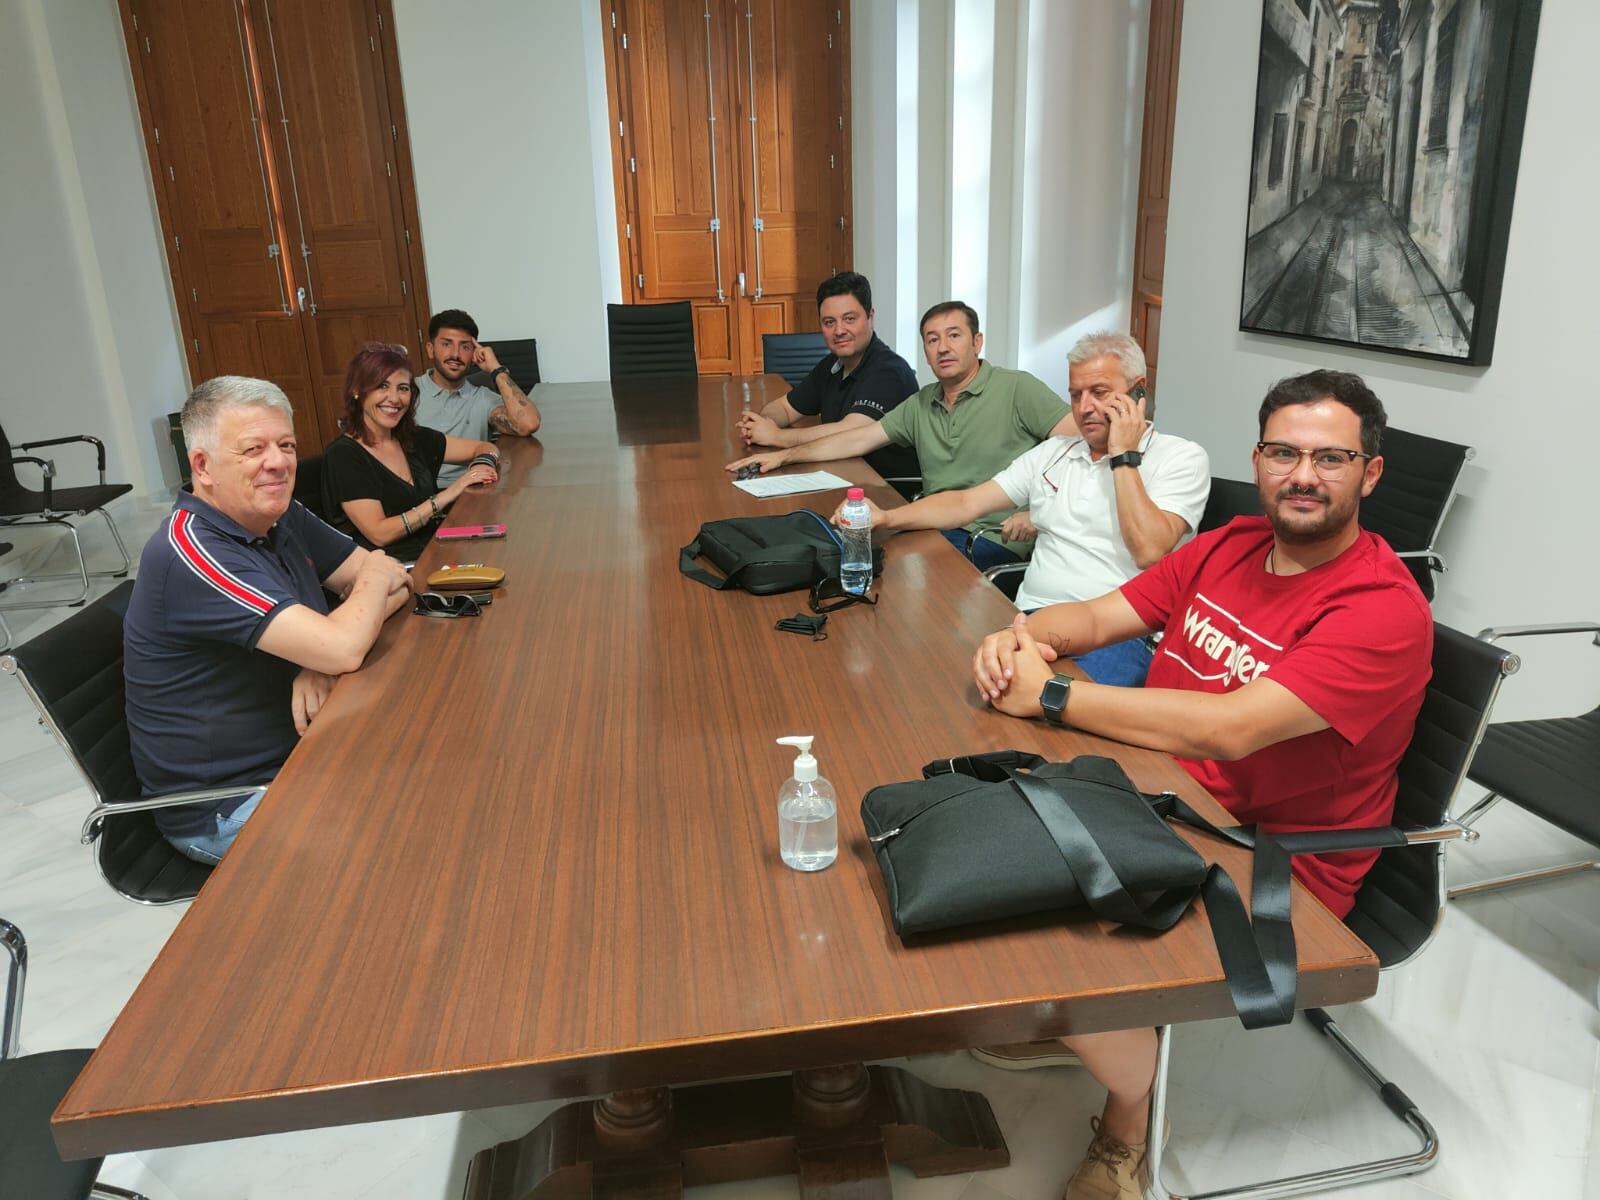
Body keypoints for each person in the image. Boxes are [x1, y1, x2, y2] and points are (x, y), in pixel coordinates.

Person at [967, 369, 1432, 1199]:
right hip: (1161, 793)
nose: (1303, 474)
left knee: (1029, 943)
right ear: (1257, 459)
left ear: (1370, 473)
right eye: (1284, 451)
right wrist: (1029, 636)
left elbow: (1233, 727)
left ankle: (1130, 1117)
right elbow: (1110, 614)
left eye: (1331, 458)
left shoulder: (1380, 607)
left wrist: (1060, 695)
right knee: (979, 837)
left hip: (1272, 856)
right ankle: (1096, 1031)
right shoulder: (1231, 543)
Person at [125, 377, 414, 865]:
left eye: (286, 445)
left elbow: (397, 587)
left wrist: (322, 658)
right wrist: (345, 629)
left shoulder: (277, 515)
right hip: (230, 805)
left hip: (308, 753)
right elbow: (358, 616)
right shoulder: (194, 551)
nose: (277, 462)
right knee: (411, 840)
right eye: (252, 449)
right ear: (203, 465)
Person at [827, 332, 1209, 685]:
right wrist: (888, 517)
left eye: (1099, 392)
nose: (1084, 407)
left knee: (1049, 722)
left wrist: (1123, 455)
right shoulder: (1055, 453)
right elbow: (967, 502)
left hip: (1118, 637)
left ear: (1138, 394)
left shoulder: (1180, 458)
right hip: (1030, 621)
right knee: (929, 673)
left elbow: (1148, 550)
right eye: (1076, 395)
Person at [729, 301, 1075, 570]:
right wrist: (782, 456)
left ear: (977, 341)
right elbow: (857, 439)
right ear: (924, 351)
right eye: (932, 339)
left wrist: (1041, 513)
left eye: (954, 335)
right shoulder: (922, 402)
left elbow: (1082, 449)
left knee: (895, 576)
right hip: (931, 524)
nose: (943, 348)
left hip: (992, 538)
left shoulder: (1016, 388)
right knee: (842, 552)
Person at [737, 271, 920, 488]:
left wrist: (775, 437)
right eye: (829, 322)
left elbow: (850, 431)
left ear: (870, 316)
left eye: (849, 319)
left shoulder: (890, 372)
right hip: (840, 477)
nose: (839, 330)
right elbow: (785, 408)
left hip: (885, 491)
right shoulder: (832, 364)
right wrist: (765, 422)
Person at [321, 343, 501, 561]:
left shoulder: (414, 438)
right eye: (382, 386)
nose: (395, 398)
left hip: (437, 552)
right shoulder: (344, 456)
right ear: (357, 391)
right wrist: (447, 495)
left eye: (403, 388)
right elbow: (380, 534)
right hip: (393, 571)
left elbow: (485, 447)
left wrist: (483, 464)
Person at [415, 308, 541, 485]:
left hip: (472, 491)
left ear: (474, 353)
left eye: (465, 346)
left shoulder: (482, 397)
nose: (456, 354)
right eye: (446, 344)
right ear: (430, 349)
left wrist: (495, 369)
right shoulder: (408, 392)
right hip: (421, 497)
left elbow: (529, 423)